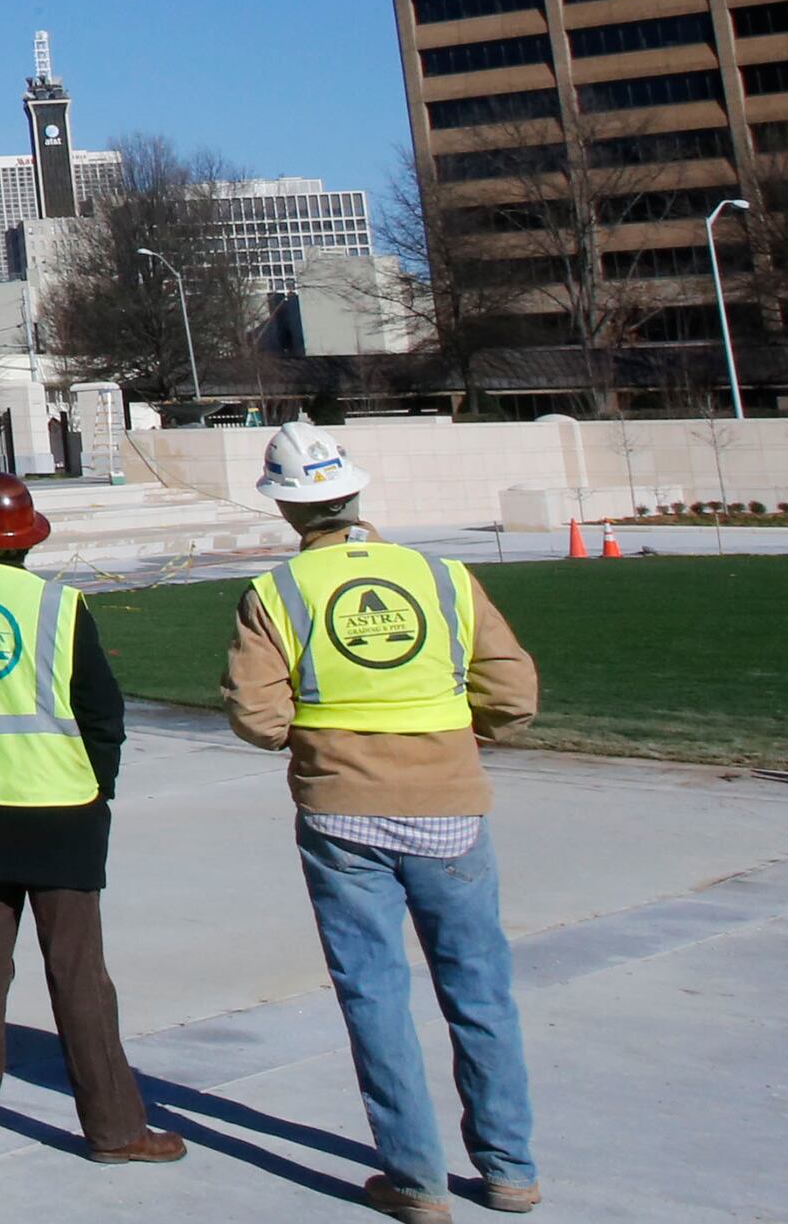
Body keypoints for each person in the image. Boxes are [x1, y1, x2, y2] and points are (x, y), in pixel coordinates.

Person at [227, 423, 540, 1223]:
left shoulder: (278, 593)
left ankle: (416, 1179)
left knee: (374, 994)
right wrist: (462, 739)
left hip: (343, 815)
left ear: (288, 510)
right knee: (480, 992)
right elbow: (511, 691)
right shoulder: (442, 577)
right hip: (450, 807)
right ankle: (508, 1169)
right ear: (354, 493)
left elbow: (258, 716)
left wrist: (319, 740)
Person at [0, 471, 186, 1166]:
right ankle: (114, 1129)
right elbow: (101, 715)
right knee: (79, 974)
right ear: (27, 540)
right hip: (60, 811)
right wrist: (99, 790)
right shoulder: (57, 605)